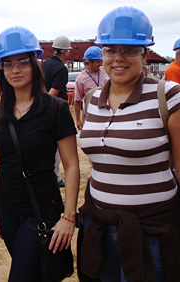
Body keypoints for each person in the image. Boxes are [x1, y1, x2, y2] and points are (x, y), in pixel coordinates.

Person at [78, 6, 180, 282]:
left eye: (130, 50)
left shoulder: (168, 96)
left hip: (152, 233)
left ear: (145, 54)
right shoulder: (92, 101)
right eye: (110, 50)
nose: (118, 58)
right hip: (99, 226)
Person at [0, 26, 80, 281]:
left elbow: (71, 165)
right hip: (7, 212)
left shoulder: (55, 109)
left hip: (41, 211)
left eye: (22, 62)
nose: (14, 70)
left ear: (35, 64)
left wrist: (69, 216)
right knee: (35, 273)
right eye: (7, 64)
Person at [42, 35, 72, 187]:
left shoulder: (44, 65)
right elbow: (53, 92)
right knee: (58, 146)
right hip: (56, 111)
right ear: (65, 51)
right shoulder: (61, 69)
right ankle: (55, 177)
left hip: (42, 109)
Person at [73, 46, 108, 130]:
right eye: (97, 62)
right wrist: (78, 120)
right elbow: (77, 101)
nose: (100, 64)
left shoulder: (105, 71)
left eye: (101, 61)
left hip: (106, 111)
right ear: (89, 63)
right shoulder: (81, 79)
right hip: (90, 114)